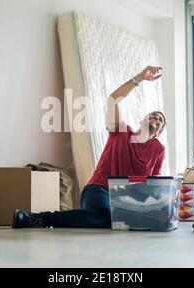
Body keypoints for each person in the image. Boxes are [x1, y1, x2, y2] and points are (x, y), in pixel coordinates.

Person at [12, 65, 167, 229]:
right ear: (141, 120)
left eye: (160, 121)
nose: (156, 118)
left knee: (124, 221)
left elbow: (154, 185)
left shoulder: (159, 150)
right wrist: (139, 78)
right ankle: (36, 219)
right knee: (104, 218)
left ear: (157, 134)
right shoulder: (121, 132)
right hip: (99, 190)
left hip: (128, 202)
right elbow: (112, 100)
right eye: (153, 115)